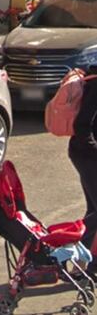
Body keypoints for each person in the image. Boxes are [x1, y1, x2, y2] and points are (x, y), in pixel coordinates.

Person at [68, 64, 97, 253]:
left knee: (93, 211)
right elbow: (82, 126)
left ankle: (81, 264)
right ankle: (68, 253)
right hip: (87, 154)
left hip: (85, 153)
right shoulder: (96, 84)